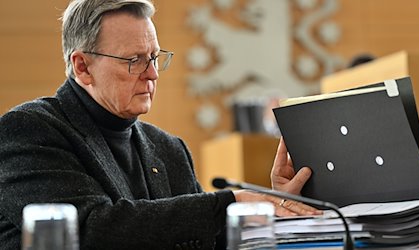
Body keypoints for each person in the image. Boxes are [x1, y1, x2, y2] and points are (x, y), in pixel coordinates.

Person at [0, 0, 320, 249]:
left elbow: (209, 237)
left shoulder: (169, 149)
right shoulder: (27, 130)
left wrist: (273, 210)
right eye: (134, 60)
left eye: (154, 58)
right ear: (83, 67)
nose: (152, 74)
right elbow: (90, 230)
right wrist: (231, 203)